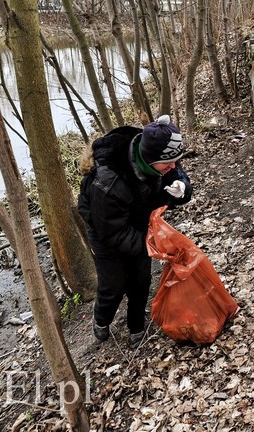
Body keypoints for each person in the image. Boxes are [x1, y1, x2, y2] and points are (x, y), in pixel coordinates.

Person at [77, 115, 193, 347]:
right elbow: (113, 232)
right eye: (168, 164)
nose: (173, 167)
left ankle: (136, 326)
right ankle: (101, 320)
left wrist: (182, 189)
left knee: (141, 278)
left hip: (138, 219)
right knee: (114, 284)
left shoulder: (160, 156)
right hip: (105, 231)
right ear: (148, 160)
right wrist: (151, 245)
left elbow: (176, 174)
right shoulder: (107, 183)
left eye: (175, 161)